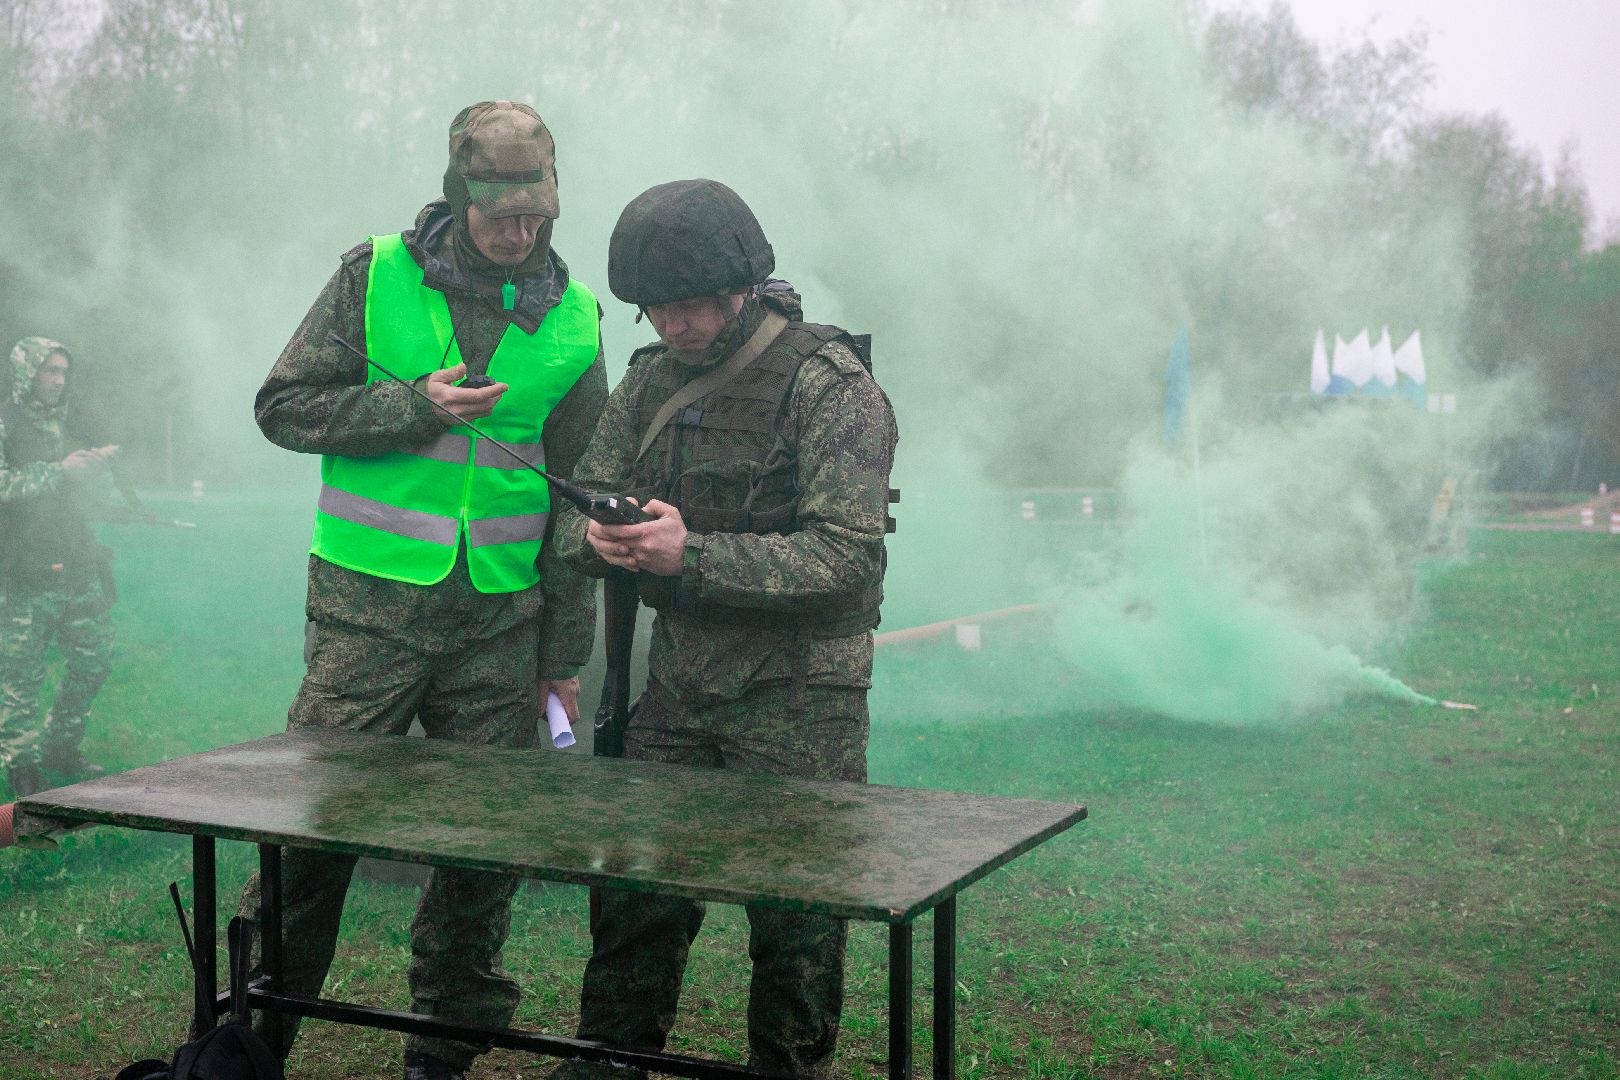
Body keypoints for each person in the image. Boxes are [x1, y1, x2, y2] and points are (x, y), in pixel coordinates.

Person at [239, 100, 607, 1080]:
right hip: (369, 622)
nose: (520, 236)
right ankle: (245, 1044)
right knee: (310, 845)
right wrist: (411, 407)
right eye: (500, 218)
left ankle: (438, 1058)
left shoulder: (574, 318)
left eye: (537, 217)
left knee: (483, 860)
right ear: (459, 197)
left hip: (499, 627)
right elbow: (282, 407)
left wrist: (562, 662)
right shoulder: (375, 274)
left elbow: (580, 506)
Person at [552, 179, 899, 1078]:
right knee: (635, 899)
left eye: (687, 307)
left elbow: (847, 557)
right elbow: (574, 503)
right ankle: (609, 1060)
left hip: (802, 698)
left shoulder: (835, 389)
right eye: (654, 311)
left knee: (797, 924)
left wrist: (690, 556)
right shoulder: (648, 383)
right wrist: (599, 534)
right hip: (678, 686)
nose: (671, 327)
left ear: (740, 285)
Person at [0, 337, 120, 798]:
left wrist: (98, 469)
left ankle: (61, 748)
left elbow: (88, 493)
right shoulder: (6, 424)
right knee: (19, 675)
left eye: (62, 371)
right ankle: (22, 766)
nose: (57, 380)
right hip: (25, 570)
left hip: (77, 563)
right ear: (26, 372)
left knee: (95, 658)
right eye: (48, 370)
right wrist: (59, 471)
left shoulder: (69, 424)